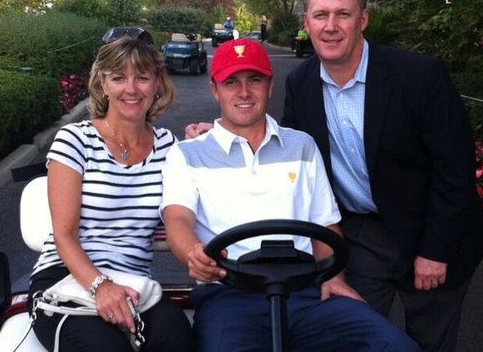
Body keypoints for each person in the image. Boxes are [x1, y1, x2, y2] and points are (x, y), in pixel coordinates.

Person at [161, 38, 420, 352]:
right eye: (232, 82)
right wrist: (194, 253)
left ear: (270, 87)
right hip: (230, 296)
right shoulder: (188, 154)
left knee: (394, 346)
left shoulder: (302, 146)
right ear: (215, 90)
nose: (244, 93)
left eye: (254, 80)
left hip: (305, 292)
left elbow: (325, 224)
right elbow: (177, 219)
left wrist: (332, 277)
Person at [281, 0, 483, 352]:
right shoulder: (300, 84)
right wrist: (218, 133)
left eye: (342, 14)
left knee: (429, 343)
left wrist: (435, 251)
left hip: (432, 228)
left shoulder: (419, 75)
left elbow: (455, 170)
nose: (331, 26)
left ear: (363, 19)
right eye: (320, 15)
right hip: (362, 234)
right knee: (358, 338)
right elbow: (290, 158)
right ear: (306, 23)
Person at [27, 36, 194, 352]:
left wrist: (208, 138)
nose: (131, 89)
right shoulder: (75, 140)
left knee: (178, 337)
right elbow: (64, 235)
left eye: (142, 77)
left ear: (157, 83)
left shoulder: (170, 147)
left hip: (134, 285)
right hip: (67, 278)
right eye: (118, 78)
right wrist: (100, 286)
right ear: (102, 84)